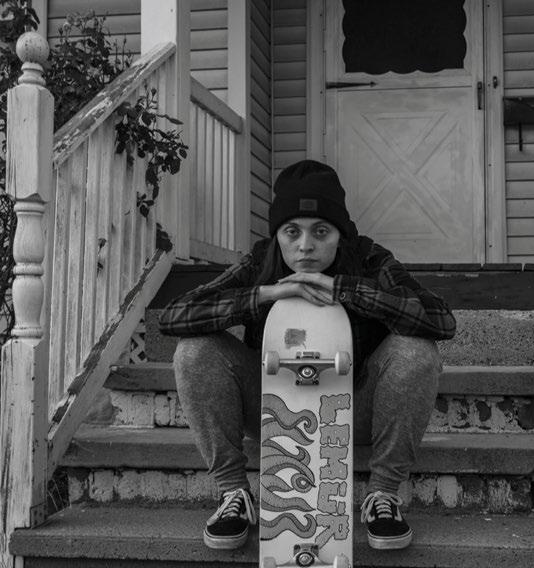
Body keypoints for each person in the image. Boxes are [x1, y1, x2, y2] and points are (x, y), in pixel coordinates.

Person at [158, 159, 456, 551]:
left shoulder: (368, 258)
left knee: (417, 349)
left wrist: (346, 290)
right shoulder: (262, 261)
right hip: (273, 411)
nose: (305, 246)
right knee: (194, 350)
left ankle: (383, 495)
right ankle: (233, 494)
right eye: (292, 232)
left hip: (354, 411)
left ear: (341, 235)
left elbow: (440, 319)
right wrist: (266, 293)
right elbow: (175, 316)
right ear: (278, 235)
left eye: (321, 232)